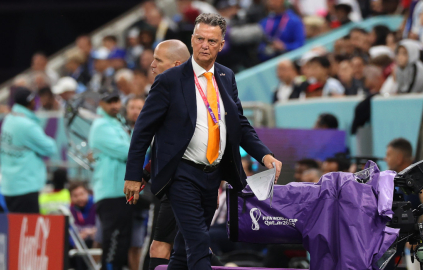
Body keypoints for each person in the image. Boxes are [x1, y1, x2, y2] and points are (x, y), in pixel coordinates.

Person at [124, 13, 282, 270]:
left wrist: (264, 155)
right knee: (198, 245)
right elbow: (142, 130)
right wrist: (133, 174)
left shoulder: (226, 76)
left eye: (211, 40)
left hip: (213, 176)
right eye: (200, 39)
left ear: (221, 45)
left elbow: (239, 124)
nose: (205, 45)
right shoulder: (169, 80)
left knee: (182, 254)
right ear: (192, 40)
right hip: (181, 174)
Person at [147, 40, 191, 270]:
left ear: (176, 65)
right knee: (193, 246)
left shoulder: (183, 97)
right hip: (178, 182)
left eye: (158, 60)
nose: (152, 65)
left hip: (180, 183)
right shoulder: (175, 92)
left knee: (160, 247)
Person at [89, 91, 133, 270]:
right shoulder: (100, 126)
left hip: (120, 191)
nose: (114, 105)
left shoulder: (116, 123)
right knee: (113, 241)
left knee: (122, 242)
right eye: (110, 102)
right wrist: (150, 144)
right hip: (110, 191)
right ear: (101, 103)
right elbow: (128, 152)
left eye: (116, 101)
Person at [0, 88, 57, 213]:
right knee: (28, 231)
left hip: (9, 185)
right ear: (30, 102)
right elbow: (50, 148)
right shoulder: (26, 125)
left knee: (15, 229)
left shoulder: (9, 119)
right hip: (25, 187)